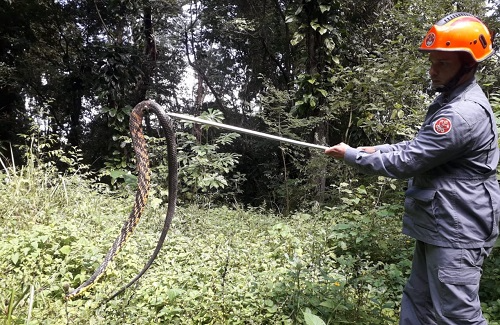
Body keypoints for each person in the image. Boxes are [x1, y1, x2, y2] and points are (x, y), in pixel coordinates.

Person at [325, 12, 499, 325]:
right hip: (441, 222)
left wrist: (352, 156)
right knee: (420, 304)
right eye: (432, 61)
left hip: (458, 228)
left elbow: (409, 162)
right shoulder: (450, 100)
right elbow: (419, 148)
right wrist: (378, 149)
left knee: (456, 316)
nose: (432, 70)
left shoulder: (460, 114)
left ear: (469, 65)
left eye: (442, 64)